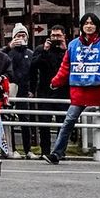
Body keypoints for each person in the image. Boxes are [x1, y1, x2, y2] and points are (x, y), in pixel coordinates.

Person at [44, 13, 100, 166]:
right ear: (82, 26)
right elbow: (65, 67)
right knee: (68, 122)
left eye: (92, 23)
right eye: (86, 23)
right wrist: (55, 82)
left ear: (97, 26)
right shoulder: (73, 45)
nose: (89, 26)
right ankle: (56, 154)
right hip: (80, 90)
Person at [29, 25, 69, 159]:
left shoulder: (68, 50)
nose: (55, 39)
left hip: (63, 91)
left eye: (58, 36)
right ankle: (45, 151)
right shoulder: (41, 49)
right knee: (44, 122)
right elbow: (33, 67)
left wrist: (65, 50)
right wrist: (45, 51)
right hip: (44, 90)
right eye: (53, 36)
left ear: (64, 37)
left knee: (63, 123)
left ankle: (59, 151)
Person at [4, 23, 35, 159]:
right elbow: (0, 59)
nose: (21, 38)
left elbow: (35, 73)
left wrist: (32, 89)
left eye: (23, 35)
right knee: (9, 119)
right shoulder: (8, 52)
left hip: (24, 89)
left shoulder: (30, 53)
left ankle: (28, 150)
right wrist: (10, 46)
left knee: (25, 119)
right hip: (10, 88)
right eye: (18, 35)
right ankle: (11, 148)